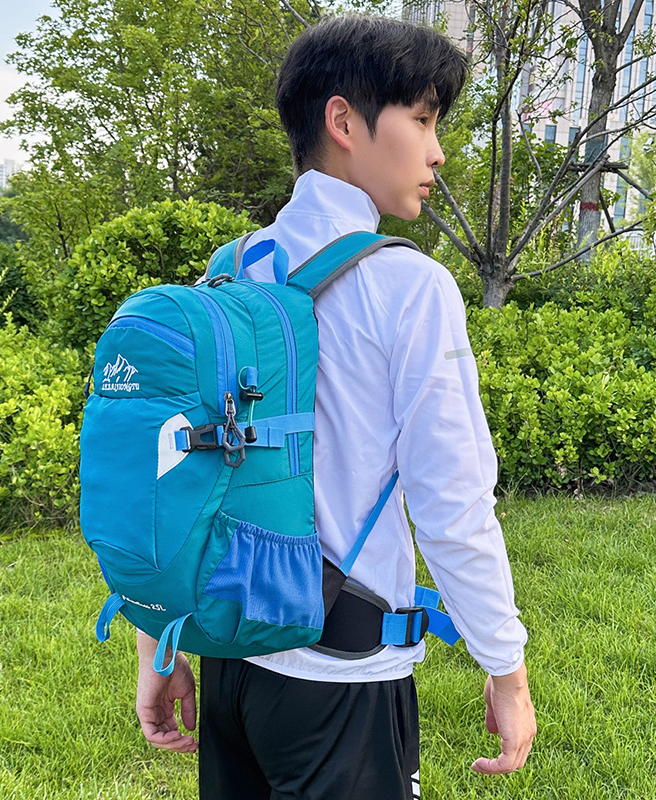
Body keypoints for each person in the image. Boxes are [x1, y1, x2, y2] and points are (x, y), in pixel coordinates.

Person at [135, 14, 536, 800]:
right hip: (343, 681)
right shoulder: (408, 286)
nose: (437, 151)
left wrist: (159, 645)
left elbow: (175, 478)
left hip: (232, 664)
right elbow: (452, 501)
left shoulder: (228, 271)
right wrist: (506, 669)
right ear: (344, 121)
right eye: (421, 119)